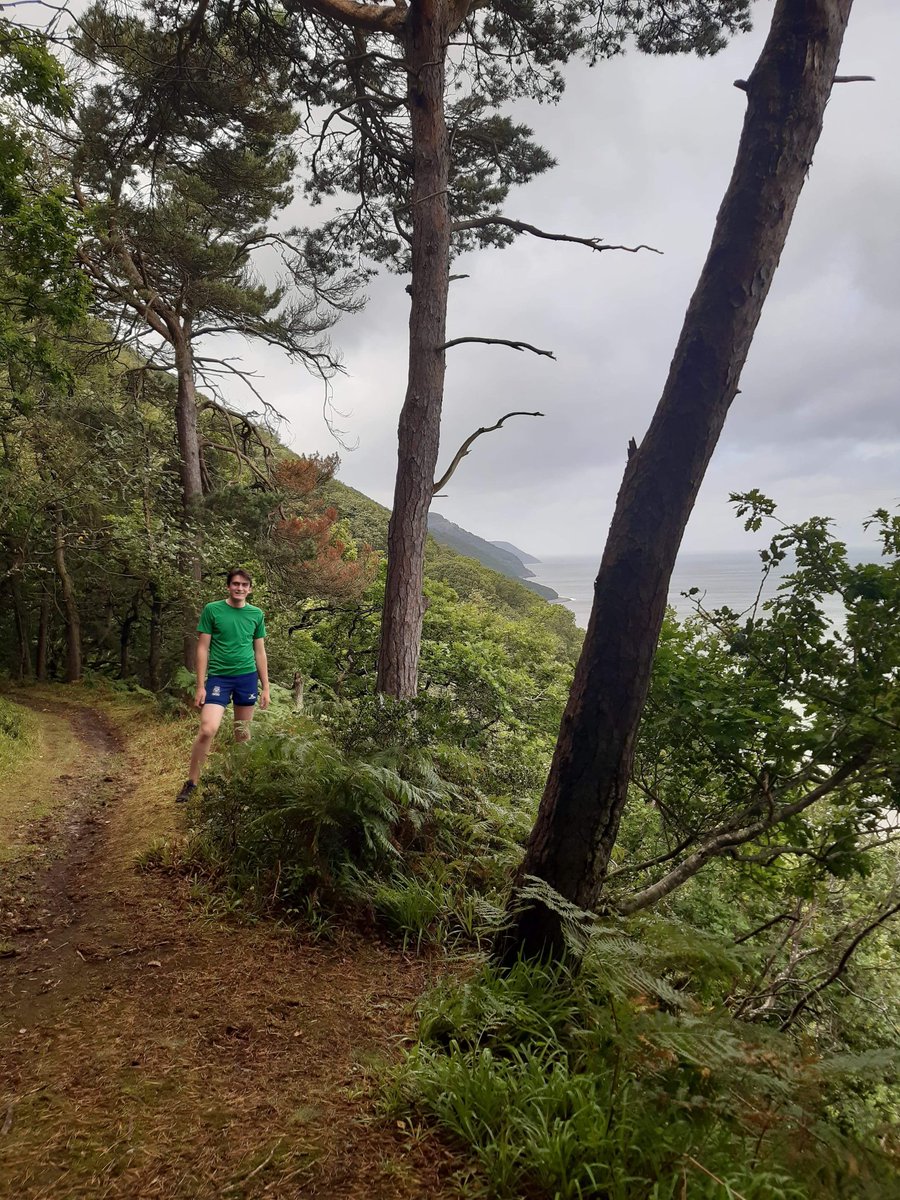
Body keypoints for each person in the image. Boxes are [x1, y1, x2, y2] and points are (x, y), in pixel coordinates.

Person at [176, 568, 270, 803]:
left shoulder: (256, 614)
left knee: (242, 734)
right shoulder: (213, 610)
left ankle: (240, 784)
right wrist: (200, 685)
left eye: (244, 585)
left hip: (247, 678)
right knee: (208, 729)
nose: (240, 588)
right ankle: (191, 783)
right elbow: (202, 648)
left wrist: (266, 687)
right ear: (228, 586)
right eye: (236, 584)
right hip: (219, 678)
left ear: (250, 589)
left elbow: (260, 652)